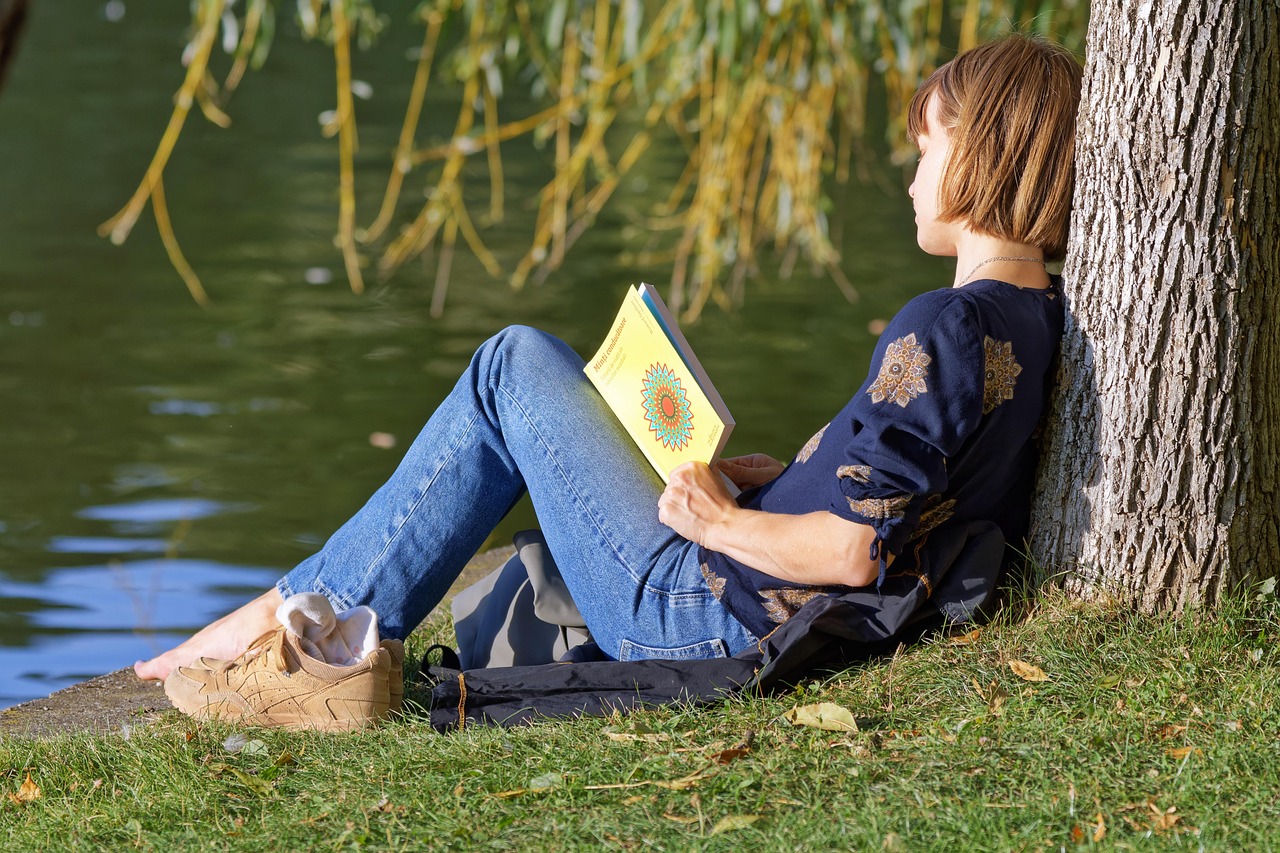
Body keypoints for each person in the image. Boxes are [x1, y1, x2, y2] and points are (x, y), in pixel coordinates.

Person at [137, 33, 1083, 728]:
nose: (913, 173)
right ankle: (307, 613)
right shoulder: (1040, 320)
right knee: (543, 386)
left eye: (928, 145)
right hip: (752, 603)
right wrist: (758, 484)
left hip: (698, 612)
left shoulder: (945, 320)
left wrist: (716, 522)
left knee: (513, 367)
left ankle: (302, 632)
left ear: (984, 147)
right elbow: (905, 495)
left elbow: (850, 551)